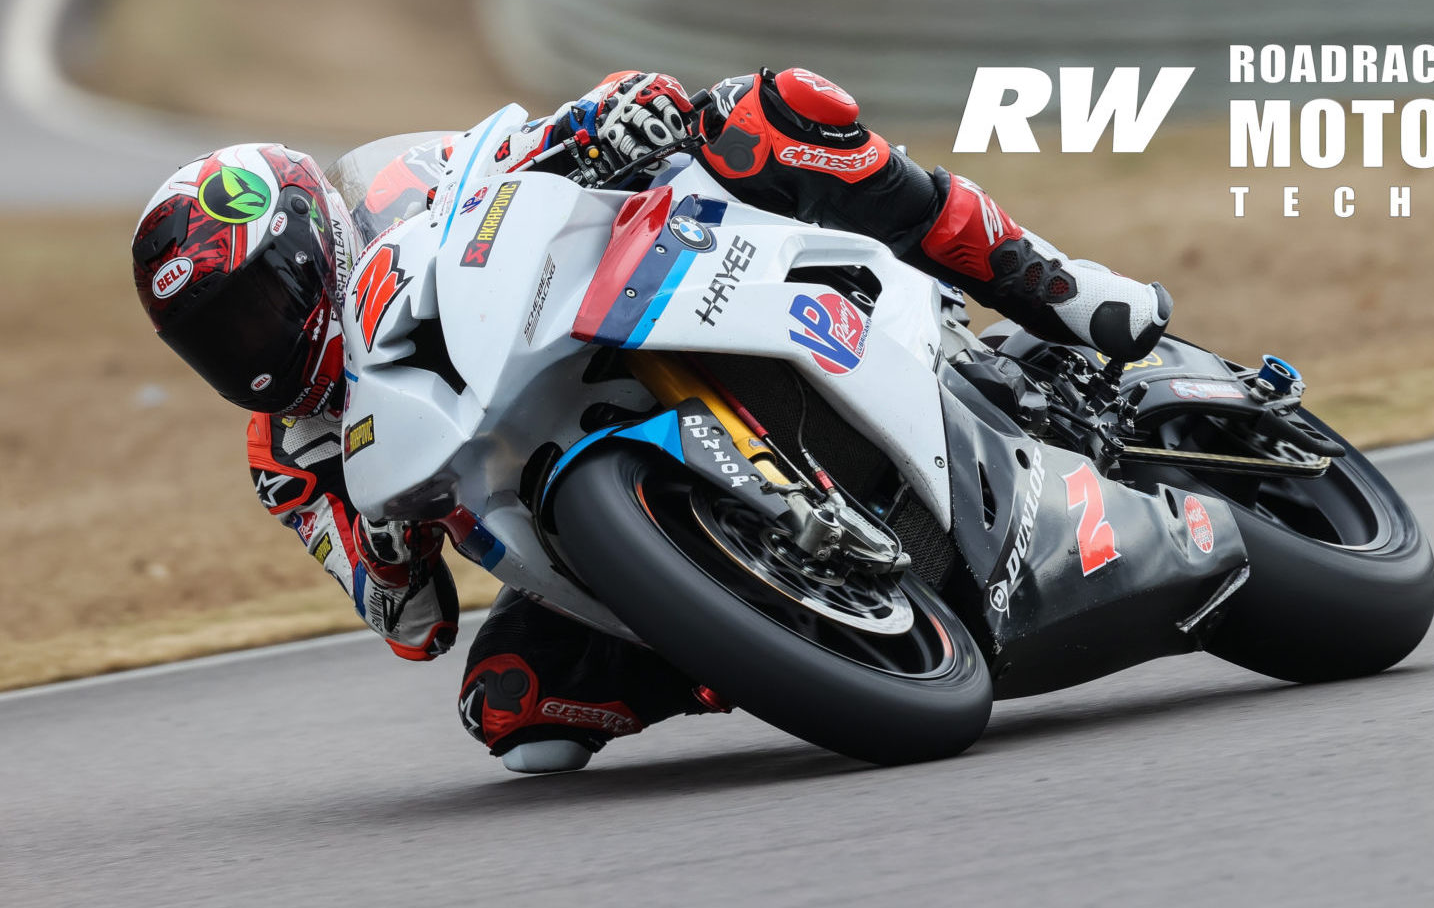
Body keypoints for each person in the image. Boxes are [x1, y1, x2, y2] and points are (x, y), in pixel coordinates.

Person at [129, 68, 1173, 774]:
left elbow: (524, 150)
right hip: (553, 511)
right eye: (220, 341)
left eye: (263, 305)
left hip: (628, 302)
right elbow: (414, 626)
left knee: (771, 111)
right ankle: (751, 632)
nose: (255, 349)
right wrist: (390, 546)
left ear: (316, 243)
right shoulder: (290, 454)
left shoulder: (395, 192)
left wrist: (603, 122)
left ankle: (1053, 281)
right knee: (510, 706)